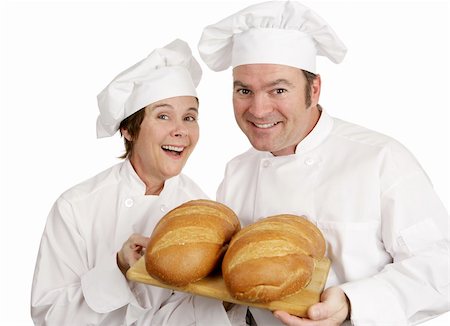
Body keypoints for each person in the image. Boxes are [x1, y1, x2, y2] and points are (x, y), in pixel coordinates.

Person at [198, 1, 449, 325]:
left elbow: (442, 266)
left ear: (314, 88)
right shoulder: (237, 171)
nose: (258, 110)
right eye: (244, 90)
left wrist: (351, 302)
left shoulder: (380, 159)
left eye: (278, 90)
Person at [30, 39, 231, 325]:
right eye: (163, 116)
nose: (181, 131)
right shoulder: (76, 207)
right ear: (128, 129)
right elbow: (48, 314)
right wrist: (119, 267)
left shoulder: (202, 211)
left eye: (190, 117)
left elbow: (197, 313)